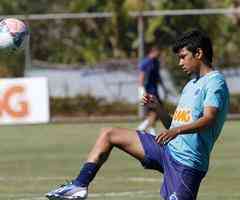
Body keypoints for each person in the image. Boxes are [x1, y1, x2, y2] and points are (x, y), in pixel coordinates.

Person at [45, 29, 230, 200]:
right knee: (109, 134)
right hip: (167, 150)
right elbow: (173, 126)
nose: (180, 62)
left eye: (183, 57)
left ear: (198, 53)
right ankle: (79, 185)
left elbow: (209, 119)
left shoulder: (215, 82)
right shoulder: (191, 84)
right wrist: (158, 109)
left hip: (187, 165)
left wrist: (176, 131)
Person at [137, 44, 167, 136]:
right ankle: (143, 129)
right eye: (158, 53)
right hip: (148, 91)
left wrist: (164, 88)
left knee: (156, 111)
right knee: (155, 111)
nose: (159, 55)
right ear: (153, 52)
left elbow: (158, 77)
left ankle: (146, 129)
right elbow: (141, 77)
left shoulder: (156, 62)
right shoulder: (146, 62)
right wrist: (142, 91)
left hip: (155, 90)